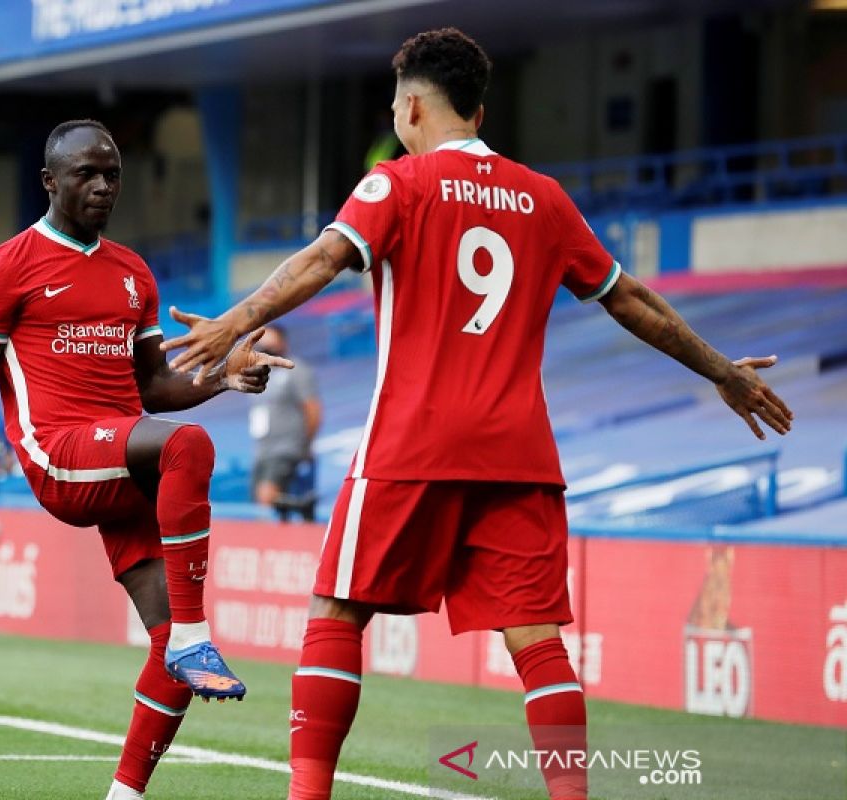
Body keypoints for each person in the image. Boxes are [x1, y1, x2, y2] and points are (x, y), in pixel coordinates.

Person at [160, 28, 793, 800]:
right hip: (519, 455)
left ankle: (307, 793)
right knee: (536, 640)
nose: (396, 116)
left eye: (397, 104)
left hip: (412, 441)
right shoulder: (545, 198)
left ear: (415, 107)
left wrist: (235, 319)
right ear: (481, 109)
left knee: (337, 610)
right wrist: (722, 371)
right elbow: (630, 300)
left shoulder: (394, 184)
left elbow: (325, 258)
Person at [0, 119, 293, 800]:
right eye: (86, 173)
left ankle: (125, 792)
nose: (101, 186)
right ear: (49, 181)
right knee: (190, 448)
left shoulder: (131, 272)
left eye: (112, 173)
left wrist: (222, 377)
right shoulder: (5, 268)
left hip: (120, 460)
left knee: (164, 641)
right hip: (57, 456)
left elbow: (152, 387)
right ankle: (197, 634)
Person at [249, 325, 322, 522]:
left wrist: (306, 444)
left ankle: (304, 511)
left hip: (286, 447)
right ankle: (295, 515)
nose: (265, 344)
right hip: (263, 449)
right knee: (260, 499)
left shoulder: (295, 370)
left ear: (282, 342)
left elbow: (312, 409)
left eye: (270, 339)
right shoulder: (260, 373)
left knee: (267, 495)